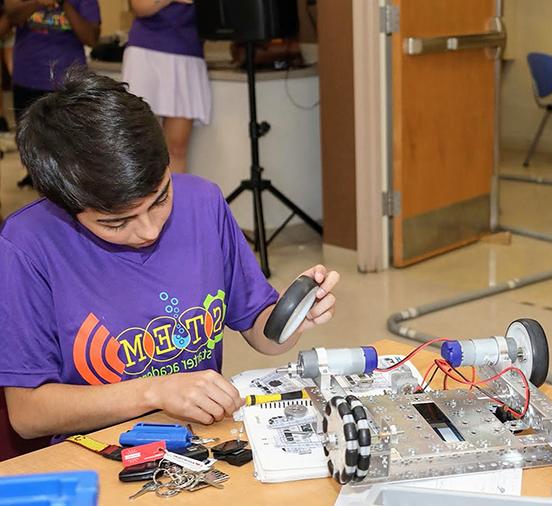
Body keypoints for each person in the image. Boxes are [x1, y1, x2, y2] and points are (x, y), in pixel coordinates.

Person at [0, 69, 339, 445]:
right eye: (116, 223)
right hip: (98, 454)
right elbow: (27, 414)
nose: (148, 230)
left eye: (161, 198)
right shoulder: (28, 245)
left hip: (200, 443)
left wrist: (291, 319)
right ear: (66, 208)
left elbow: (263, 334)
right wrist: (154, 391)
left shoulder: (203, 203)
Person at [5, 0, 99, 188]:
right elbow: (11, 17)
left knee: (70, 142)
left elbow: (91, 37)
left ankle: (66, 186)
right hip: (28, 75)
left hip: (68, 80)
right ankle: (39, 178)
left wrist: (64, 3)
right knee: (28, 141)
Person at [122, 0, 209, 173]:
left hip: (188, 52)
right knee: (142, 144)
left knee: (177, 147)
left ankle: (173, 200)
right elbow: (140, 6)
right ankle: (142, 200)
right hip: (147, 51)